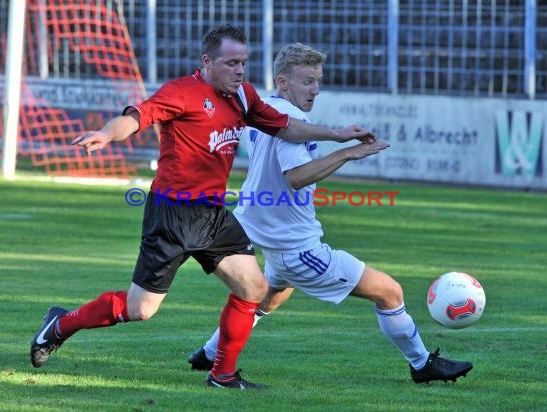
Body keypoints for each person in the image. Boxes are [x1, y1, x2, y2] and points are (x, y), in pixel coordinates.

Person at [29, 25, 377, 390]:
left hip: (212, 215)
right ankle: (60, 324)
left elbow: (286, 128)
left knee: (254, 287)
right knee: (141, 310)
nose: (240, 71)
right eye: (231, 63)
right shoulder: (182, 92)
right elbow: (135, 118)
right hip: (172, 216)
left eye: (243, 62)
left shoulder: (243, 96)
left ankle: (222, 375)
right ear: (207, 61)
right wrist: (106, 133)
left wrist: (338, 135)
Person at [188, 43, 473, 384]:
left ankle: (209, 353)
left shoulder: (263, 110)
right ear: (283, 82)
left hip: (261, 228)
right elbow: (297, 178)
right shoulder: (295, 122)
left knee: (269, 297)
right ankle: (422, 364)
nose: (315, 89)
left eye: (318, 81)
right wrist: (348, 155)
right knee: (390, 292)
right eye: (307, 81)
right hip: (297, 246)